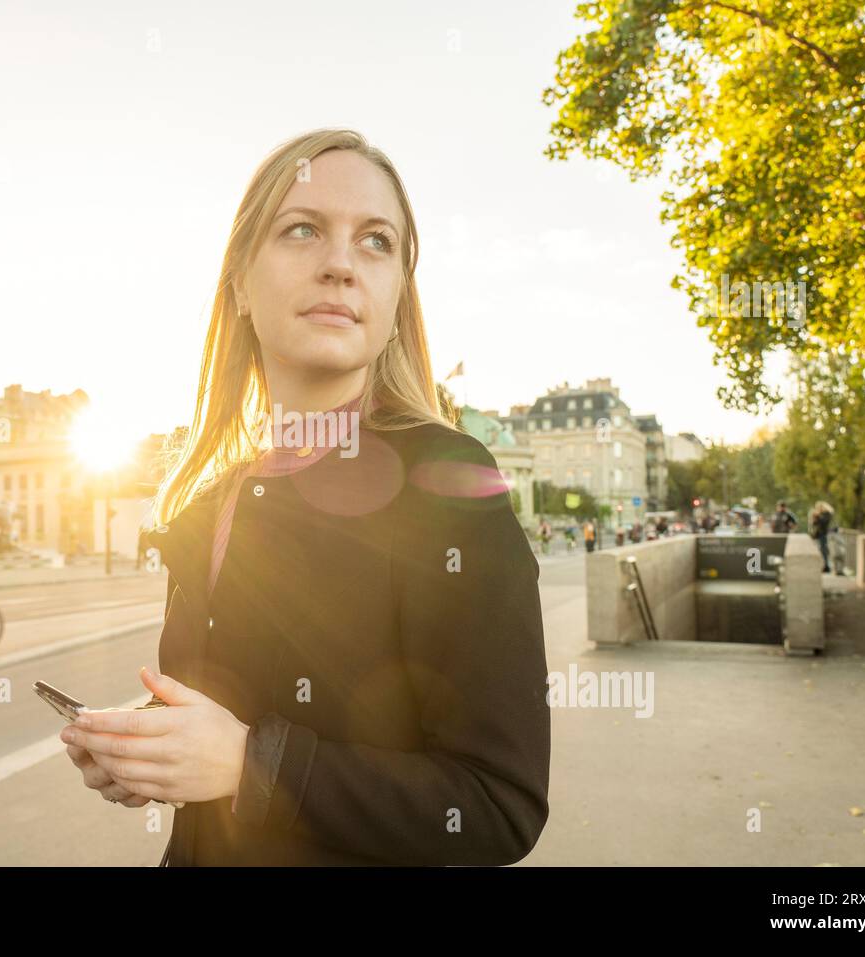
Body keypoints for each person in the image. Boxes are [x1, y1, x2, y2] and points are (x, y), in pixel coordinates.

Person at [59, 130, 549, 867]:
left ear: (395, 300)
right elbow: (240, 716)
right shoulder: (215, 496)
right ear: (240, 287)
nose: (341, 265)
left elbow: (496, 805)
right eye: (302, 229)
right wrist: (155, 751)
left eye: (376, 241)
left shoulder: (447, 481)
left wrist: (250, 765)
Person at [811, 501, 833, 573]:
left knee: (824, 550)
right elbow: (814, 524)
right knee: (820, 550)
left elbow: (824, 522)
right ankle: (823, 565)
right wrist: (814, 517)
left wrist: (818, 516)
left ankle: (826, 566)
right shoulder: (820, 514)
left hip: (824, 534)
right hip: (818, 534)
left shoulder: (827, 514)